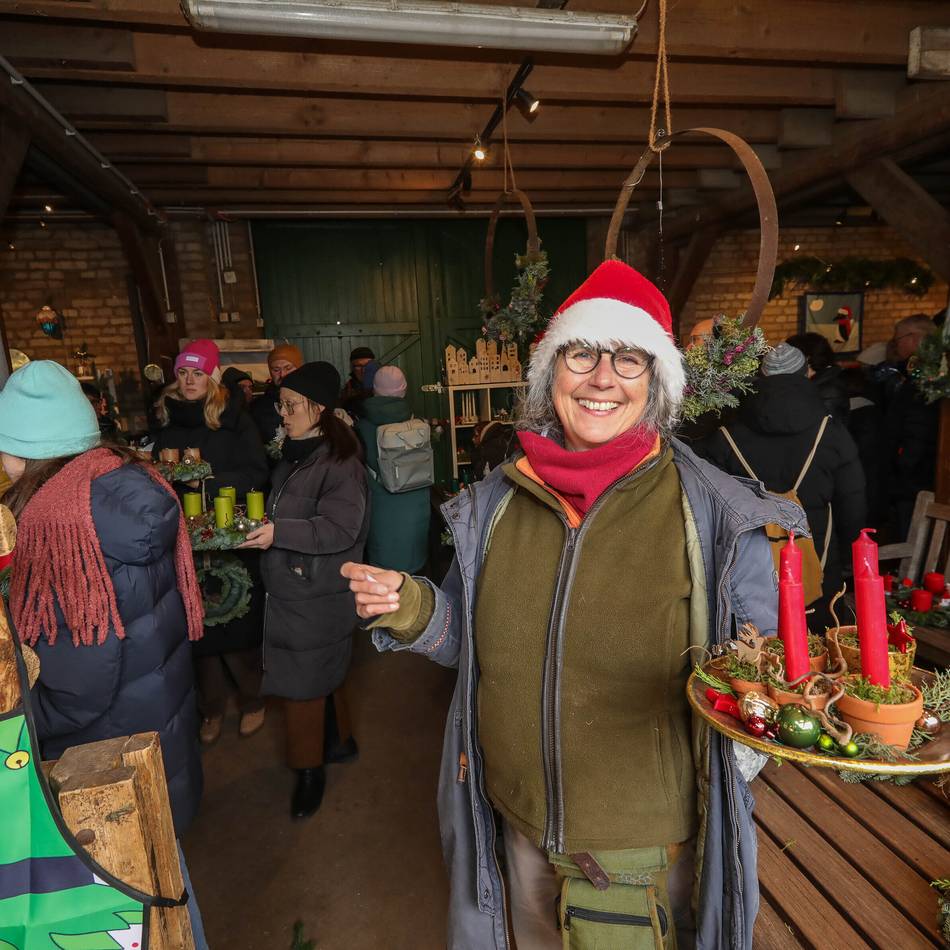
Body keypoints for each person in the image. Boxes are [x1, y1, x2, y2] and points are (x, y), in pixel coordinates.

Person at [343, 260, 806, 950]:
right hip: (515, 823)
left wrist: (755, 741)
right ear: (550, 372)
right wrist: (411, 606)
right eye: (582, 352)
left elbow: (765, 686)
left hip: (636, 848)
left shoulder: (713, 513)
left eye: (629, 358)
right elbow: (467, 642)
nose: (601, 378)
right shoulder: (498, 501)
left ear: (654, 384)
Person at [0, 360, 210, 947]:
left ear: (28, 449)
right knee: (168, 892)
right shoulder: (119, 486)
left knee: (134, 909)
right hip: (152, 736)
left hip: (108, 767)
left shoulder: (63, 526)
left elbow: (76, 688)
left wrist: (17, 726)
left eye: (6, 449)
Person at [241, 361, 368, 819]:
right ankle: (340, 742)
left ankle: (308, 772)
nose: (283, 414)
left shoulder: (339, 462)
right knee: (321, 673)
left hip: (315, 591)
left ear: (320, 408)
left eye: (292, 405)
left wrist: (279, 533)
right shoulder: (300, 454)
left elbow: (339, 529)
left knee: (301, 687)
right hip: (302, 586)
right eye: (282, 404)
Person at [152, 340, 270, 745]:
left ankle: (253, 700)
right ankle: (212, 709)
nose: (188, 381)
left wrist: (206, 482)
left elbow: (257, 472)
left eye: (197, 373)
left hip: (229, 536)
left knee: (236, 620)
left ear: (212, 377)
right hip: (185, 540)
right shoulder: (167, 425)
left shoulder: (235, 419)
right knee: (196, 625)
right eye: (183, 373)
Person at [700, 343, 866, 627]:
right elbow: (853, 504)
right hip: (818, 564)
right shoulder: (831, 432)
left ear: (760, 377)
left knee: (756, 653)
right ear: (806, 374)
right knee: (817, 648)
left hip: (750, 566)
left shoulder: (724, 436)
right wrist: (854, 549)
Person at [355, 365, 430, 574]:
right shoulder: (418, 422)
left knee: (384, 582)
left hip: (383, 513)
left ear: (374, 389)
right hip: (417, 510)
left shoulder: (362, 428)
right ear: (404, 390)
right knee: (416, 580)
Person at [879, 314, 941, 538]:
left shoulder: (927, 379)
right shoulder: (916, 373)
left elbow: (918, 425)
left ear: (916, 339)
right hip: (914, 473)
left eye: (899, 339)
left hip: (915, 479)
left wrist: (902, 464)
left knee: (913, 532)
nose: (896, 345)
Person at [785, 332, 849, 421]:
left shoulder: (829, 390)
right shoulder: (815, 380)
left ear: (806, 358)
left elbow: (817, 427)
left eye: (790, 355)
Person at [249, 343, 304, 446]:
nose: (283, 374)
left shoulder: (313, 401)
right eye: (276, 370)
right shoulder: (258, 408)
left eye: (288, 368)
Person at [339, 346, 376, 417]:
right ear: (352, 368)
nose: (364, 370)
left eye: (367, 365)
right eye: (359, 366)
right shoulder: (347, 391)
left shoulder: (383, 386)